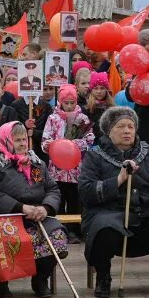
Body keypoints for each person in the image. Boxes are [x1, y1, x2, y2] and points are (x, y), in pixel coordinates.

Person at [78, 106, 149, 297]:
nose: (127, 131)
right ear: (108, 131)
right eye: (120, 126)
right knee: (103, 228)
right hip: (110, 213)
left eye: (130, 126)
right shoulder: (95, 155)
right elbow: (86, 191)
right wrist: (118, 180)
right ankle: (103, 277)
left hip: (145, 213)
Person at [0, 122, 67, 298]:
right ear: (6, 141)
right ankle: (0, 283)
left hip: (34, 216)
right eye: (17, 140)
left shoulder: (36, 163)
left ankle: (40, 279)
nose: (23, 144)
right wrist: (21, 208)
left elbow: (52, 189)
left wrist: (45, 208)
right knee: (4, 237)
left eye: (24, 139)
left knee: (57, 235)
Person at [41, 84, 94, 214]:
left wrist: (73, 144)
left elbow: (90, 139)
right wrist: (49, 145)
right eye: (66, 103)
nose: (69, 106)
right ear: (60, 102)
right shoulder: (53, 118)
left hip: (76, 170)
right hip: (56, 170)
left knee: (74, 200)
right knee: (58, 198)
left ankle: (74, 229)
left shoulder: (82, 119)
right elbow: (45, 138)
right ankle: (57, 227)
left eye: (72, 102)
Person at [83, 72, 114, 140]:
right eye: (96, 88)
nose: (99, 91)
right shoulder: (86, 109)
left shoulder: (112, 109)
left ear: (106, 90)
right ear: (91, 90)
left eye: (102, 88)